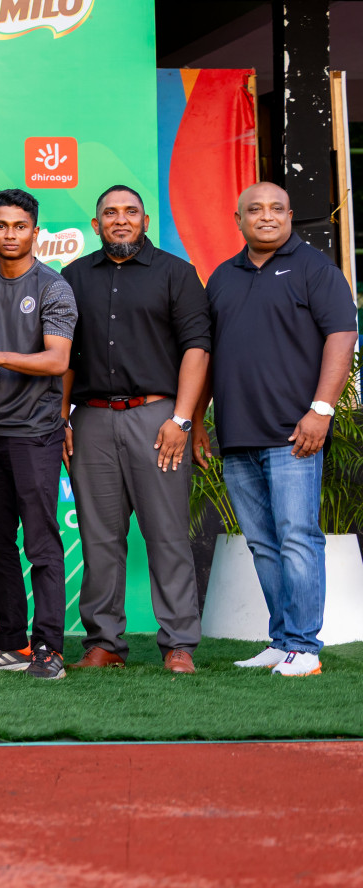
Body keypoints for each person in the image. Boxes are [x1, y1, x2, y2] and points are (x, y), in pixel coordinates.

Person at [194, 182, 358, 677]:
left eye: (276, 209)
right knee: (263, 542)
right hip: (238, 434)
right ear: (238, 218)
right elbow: (207, 354)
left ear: (289, 216)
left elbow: (342, 336)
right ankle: (282, 639)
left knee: (297, 538)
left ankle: (305, 648)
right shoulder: (223, 277)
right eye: (255, 210)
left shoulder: (315, 269)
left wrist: (322, 410)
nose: (266, 217)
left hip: (294, 434)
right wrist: (200, 421)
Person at [63, 185, 209, 674]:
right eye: (110, 213)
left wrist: (182, 420)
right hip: (92, 420)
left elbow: (197, 350)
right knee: (100, 538)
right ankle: (104, 644)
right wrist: (63, 418)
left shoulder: (176, 273)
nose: (120, 220)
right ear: (95, 224)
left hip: (158, 418)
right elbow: (64, 357)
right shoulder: (74, 276)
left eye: (130, 212)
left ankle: (179, 644)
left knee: (167, 534)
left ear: (146, 220)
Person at [0, 189, 77, 681]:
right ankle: (12, 640)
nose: (10, 234)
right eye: (1, 226)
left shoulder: (53, 287)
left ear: (35, 231)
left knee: (42, 543)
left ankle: (49, 646)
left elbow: (57, 360)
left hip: (35, 434)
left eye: (19, 226)